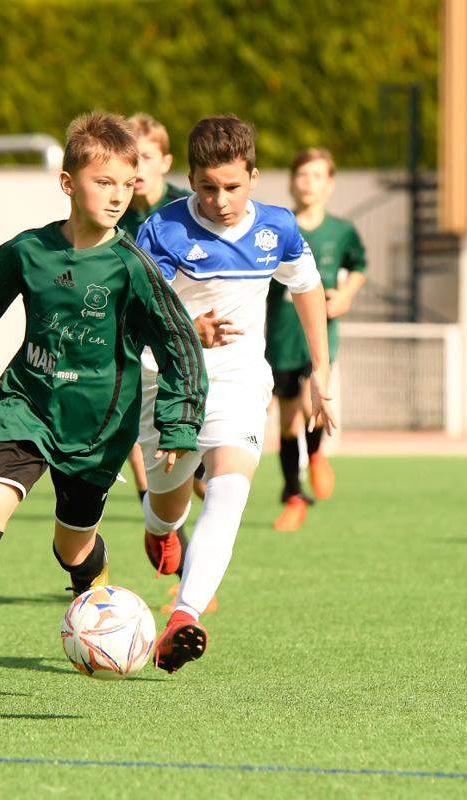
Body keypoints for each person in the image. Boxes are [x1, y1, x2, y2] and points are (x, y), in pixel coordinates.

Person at [0, 111, 207, 705]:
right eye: (102, 182)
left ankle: (93, 587)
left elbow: (179, 343)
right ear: (68, 183)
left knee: (72, 547)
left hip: (98, 430)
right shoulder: (29, 251)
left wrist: (179, 420)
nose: (117, 196)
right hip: (26, 407)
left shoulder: (132, 267)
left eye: (126, 184)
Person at [135, 116, 334, 674]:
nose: (220, 201)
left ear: (254, 176)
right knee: (169, 500)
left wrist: (321, 366)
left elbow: (307, 285)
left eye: (232, 187)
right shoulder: (163, 229)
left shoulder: (278, 228)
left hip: (239, 380)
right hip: (168, 379)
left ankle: (185, 613)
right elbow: (138, 309)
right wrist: (187, 325)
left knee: (229, 486)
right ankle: (159, 528)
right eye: (206, 188)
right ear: (192, 181)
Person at [266, 148, 367, 532]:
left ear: (330, 184)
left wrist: (345, 295)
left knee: (314, 402)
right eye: (302, 175)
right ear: (292, 181)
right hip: (280, 336)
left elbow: (359, 266)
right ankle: (293, 493)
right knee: (289, 419)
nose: (308, 182)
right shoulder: (277, 227)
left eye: (317, 176)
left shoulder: (342, 231)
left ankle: (318, 456)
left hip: (319, 339)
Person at [118, 113, 194, 506]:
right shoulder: (114, 210)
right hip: (131, 337)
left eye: (146, 156)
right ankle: (147, 493)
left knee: (195, 468)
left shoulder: (188, 210)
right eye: (131, 158)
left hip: (187, 336)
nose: (138, 167)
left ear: (165, 161)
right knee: (129, 415)